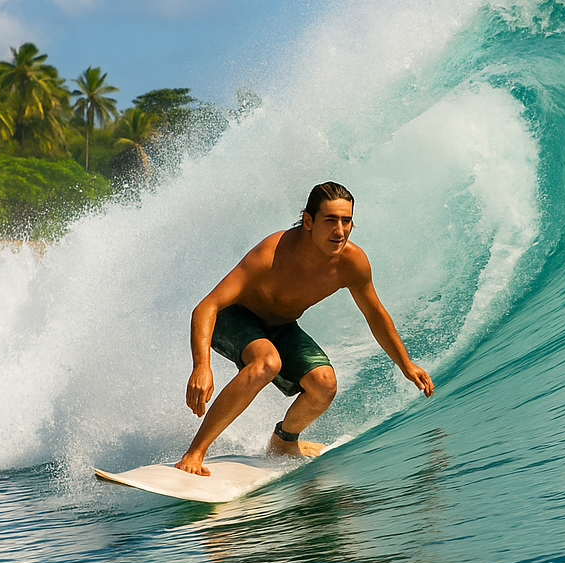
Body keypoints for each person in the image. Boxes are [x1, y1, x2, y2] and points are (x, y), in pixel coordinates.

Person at [176, 181, 434, 476]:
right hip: (234, 318)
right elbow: (206, 307)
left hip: (281, 325)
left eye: (346, 221)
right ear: (309, 221)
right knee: (266, 363)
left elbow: (375, 314)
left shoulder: (352, 263)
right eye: (330, 220)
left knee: (324, 384)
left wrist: (405, 364)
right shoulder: (272, 253)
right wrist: (201, 366)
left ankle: (284, 442)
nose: (340, 230)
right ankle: (194, 453)